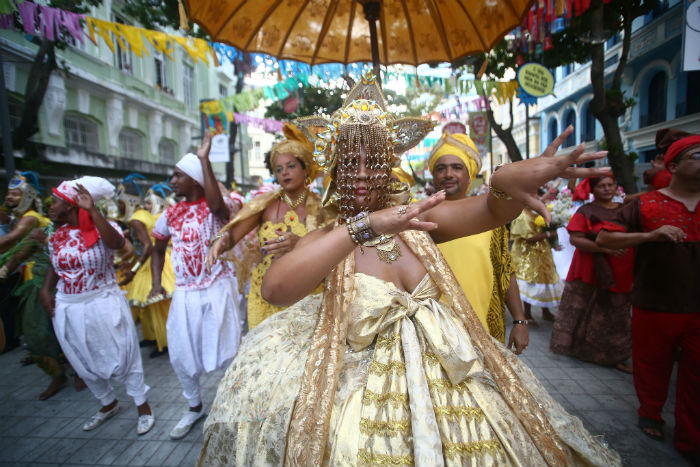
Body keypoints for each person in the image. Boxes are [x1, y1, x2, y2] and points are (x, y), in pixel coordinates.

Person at [199, 74, 620, 467]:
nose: (362, 173)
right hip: (360, 409)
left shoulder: (420, 222)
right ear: (333, 171)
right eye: (349, 163)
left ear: (391, 165)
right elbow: (275, 289)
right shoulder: (325, 241)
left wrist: (509, 178)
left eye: (373, 161)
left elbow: (492, 208)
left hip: (454, 387)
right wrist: (365, 226)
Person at [597, 134, 699, 461]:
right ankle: (651, 412)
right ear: (674, 165)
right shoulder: (645, 204)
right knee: (652, 366)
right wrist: (650, 236)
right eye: (696, 156)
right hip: (655, 304)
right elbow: (604, 238)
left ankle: (690, 438)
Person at [40, 176, 154, 435]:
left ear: (71, 205)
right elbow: (55, 266)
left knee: (125, 354)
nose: (50, 206)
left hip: (103, 301)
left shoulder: (103, 227)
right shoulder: (55, 236)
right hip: (68, 306)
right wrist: (45, 290)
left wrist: (92, 210)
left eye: (56, 201)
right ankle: (108, 403)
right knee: (82, 358)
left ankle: (142, 406)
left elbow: (116, 243)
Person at [150, 134, 243, 440]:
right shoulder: (170, 213)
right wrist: (155, 283)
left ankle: (234, 405)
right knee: (180, 351)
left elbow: (218, 209)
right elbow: (157, 246)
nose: (172, 180)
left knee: (227, 349)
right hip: (185, 292)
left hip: (216, 286)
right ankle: (193, 407)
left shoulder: (218, 205)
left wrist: (205, 160)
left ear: (194, 179)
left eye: (178, 175)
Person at [207, 123, 333, 329]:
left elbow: (333, 254)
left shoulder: (323, 209)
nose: (285, 173)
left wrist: (300, 245)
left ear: (305, 168)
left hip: (308, 295)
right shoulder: (264, 204)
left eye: (291, 166)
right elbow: (232, 236)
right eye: (279, 169)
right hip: (265, 293)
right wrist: (220, 242)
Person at [429, 132, 528, 352]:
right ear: (433, 175)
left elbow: (505, 270)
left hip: (483, 324)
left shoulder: (491, 219)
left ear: (469, 174)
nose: (448, 174)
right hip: (431, 326)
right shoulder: (418, 218)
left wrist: (520, 321)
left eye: (457, 167)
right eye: (441, 168)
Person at [550, 174, 634, 373]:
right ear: (593, 190)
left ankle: (616, 355)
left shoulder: (626, 211)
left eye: (610, 185)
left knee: (616, 314)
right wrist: (605, 249)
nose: (606, 189)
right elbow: (576, 239)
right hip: (590, 266)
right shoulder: (586, 211)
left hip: (620, 268)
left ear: (616, 187)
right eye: (602, 186)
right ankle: (581, 348)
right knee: (584, 308)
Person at [119, 183, 175, 358]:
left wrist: (134, 269)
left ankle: (164, 342)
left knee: (156, 303)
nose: (117, 206)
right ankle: (153, 337)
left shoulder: (137, 218)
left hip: (153, 260)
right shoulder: (144, 216)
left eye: (119, 202)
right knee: (150, 306)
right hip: (156, 258)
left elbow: (148, 247)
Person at [0, 172, 48, 351]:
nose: (8, 197)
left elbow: (9, 240)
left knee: (40, 317)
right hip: (29, 271)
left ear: (27, 197)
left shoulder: (30, 217)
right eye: (8, 193)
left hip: (43, 273)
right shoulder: (20, 218)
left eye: (14, 194)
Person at [510, 192, 563, 322]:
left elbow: (544, 230)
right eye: (532, 197)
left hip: (542, 253)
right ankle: (527, 313)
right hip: (527, 256)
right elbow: (528, 239)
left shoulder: (537, 213)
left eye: (536, 196)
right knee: (530, 283)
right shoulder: (521, 216)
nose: (536, 199)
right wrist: (550, 234)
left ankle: (546, 311)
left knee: (545, 282)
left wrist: (553, 243)